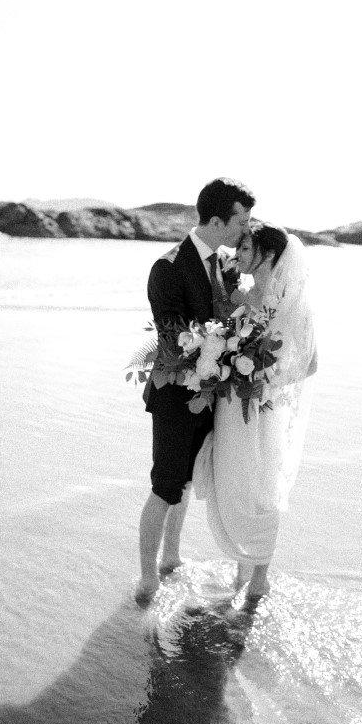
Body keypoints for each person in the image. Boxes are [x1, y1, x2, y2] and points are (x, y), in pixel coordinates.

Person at [135, 177, 256, 606]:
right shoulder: (168, 267)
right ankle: (147, 579)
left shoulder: (224, 265)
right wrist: (219, 342)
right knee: (165, 485)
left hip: (210, 394)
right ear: (218, 221)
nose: (246, 228)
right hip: (174, 396)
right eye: (241, 220)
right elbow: (172, 336)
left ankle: (171, 556)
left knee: (186, 482)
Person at [192, 222, 317, 599]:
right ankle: (241, 569)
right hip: (231, 406)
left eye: (245, 249)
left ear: (268, 254)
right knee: (233, 481)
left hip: (264, 407)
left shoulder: (293, 303)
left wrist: (266, 378)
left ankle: (260, 576)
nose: (238, 254)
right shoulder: (241, 296)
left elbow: (310, 364)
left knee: (262, 488)